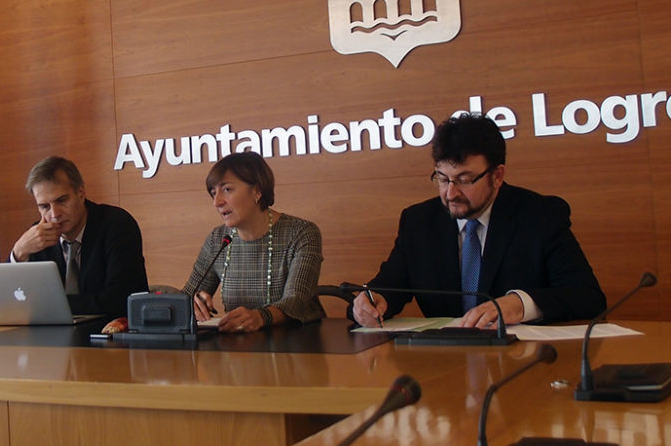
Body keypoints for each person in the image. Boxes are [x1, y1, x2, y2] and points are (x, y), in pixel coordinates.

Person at [350, 114, 605, 328]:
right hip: (444, 362)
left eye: (464, 180)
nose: (451, 193)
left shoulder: (540, 216)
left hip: (522, 360)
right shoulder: (419, 222)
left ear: (497, 176)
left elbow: (587, 297)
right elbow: (388, 288)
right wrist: (370, 302)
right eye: (442, 178)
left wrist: (520, 304)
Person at [184, 152, 325, 333]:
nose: (217, 202)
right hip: (237, 344)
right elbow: (186, 295)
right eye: (213, 193)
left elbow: (296, 301)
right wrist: (193, 303)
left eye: (227, 190)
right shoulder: (217, 239)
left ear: (257, 191)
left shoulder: (301, 233)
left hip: (299, 342)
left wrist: (260, 317)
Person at [10, 156, 148, 316]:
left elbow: (118, 300)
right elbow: (11, 301)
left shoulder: (116, 224)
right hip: (53, 331)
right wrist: (19, 252)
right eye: (45, 206)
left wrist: (48, 306)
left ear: (81, 193)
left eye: (61, 201)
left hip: (114, 327)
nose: (54, 214)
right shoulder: (38, 236)